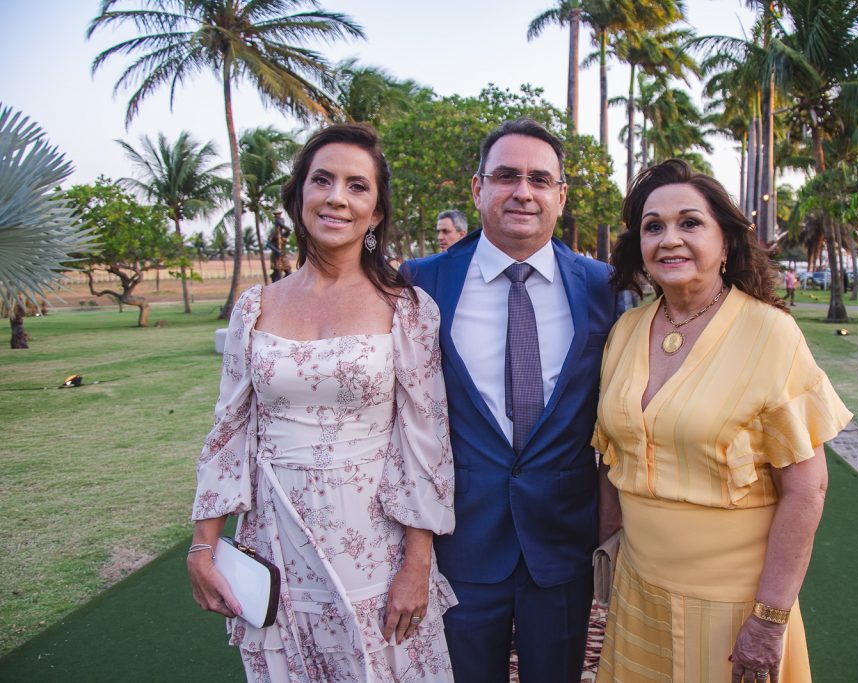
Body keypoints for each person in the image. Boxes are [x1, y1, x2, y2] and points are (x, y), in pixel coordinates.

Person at [187, 123, 457, 682]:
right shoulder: (255, 307)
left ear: (376, 212)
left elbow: (425, 441)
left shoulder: (407, 309)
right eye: (322, 180)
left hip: (373, 545)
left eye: (357, 186)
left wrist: (418, 561)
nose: (337, 197)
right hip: (274, 535)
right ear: (300, 196)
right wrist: (202, 547)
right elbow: (228, 431)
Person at [594, 159, 852, 683]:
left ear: (727, 242)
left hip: (733, 607)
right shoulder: (625, 329)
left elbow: (808, 489)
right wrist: (606, 550)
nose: (670, 239)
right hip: (637, 591)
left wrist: (770, 619)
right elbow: (611, 455)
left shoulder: (769, 334)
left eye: (690, 223)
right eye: (653, 226)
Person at [402, 118, 619, 682]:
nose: (523, 191)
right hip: (463, 541)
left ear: (560, 195)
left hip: (562, 540)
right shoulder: (420, 282)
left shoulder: (603, 286)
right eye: (506, 176)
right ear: (478, 189)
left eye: (539, 179)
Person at [267, 210, 293, 282]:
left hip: (283, 254)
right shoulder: (274, 232)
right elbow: (268, 243)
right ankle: (276, 283)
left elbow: (288, 230)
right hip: (276, 255)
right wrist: (276, 250)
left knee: (289, 273)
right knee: (278, 274)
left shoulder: (283, 234)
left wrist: (281, 224)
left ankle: (283, 283)